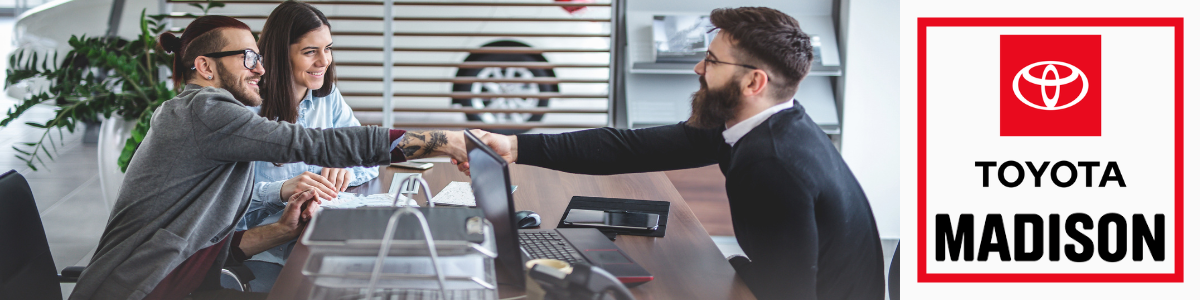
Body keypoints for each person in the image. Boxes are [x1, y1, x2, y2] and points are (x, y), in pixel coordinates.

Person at [458, 7, 885, 300]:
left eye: (712, 62)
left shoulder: (771, 162)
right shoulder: (763, 122)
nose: (699, 69)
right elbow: (630, 148)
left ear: (754, 82)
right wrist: (514, 146)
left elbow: (789, 294)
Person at [68, 15, 481, 300]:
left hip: (177, 278)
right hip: (143, 289)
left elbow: (203, 245)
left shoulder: (201, 114)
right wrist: (441, 140)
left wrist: (283, 230)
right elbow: (316, 144)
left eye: (259, 58)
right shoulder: (205, 111)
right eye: (248, 58)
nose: (261, 69)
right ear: (205, 67)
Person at [229, 1, 373, 292]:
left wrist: (343, 165)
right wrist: (282, 190)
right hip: (263, 255)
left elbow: (366, 153)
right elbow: (225, 201)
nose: (324, 61)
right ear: (281, 55)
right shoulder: (244, 110)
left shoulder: (326, 98)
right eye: (310, 52)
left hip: (317, 240)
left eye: (328, 48)